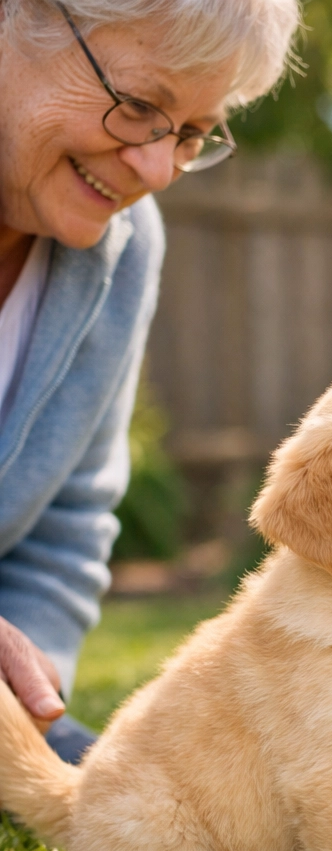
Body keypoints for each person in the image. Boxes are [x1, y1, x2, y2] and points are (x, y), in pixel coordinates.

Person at [0, 0, 299, 763]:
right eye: (137, 106)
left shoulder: (121, 247)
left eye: (194, 134)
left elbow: (64, 532)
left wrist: (22, 698)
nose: (159, 169)